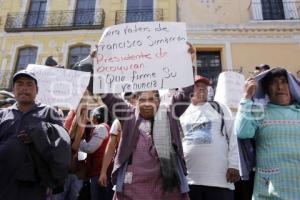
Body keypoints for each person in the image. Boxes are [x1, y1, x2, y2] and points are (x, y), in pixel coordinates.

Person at [100, 44, 196, 200]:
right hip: (133, 186)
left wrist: (188, 62)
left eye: (151, 99)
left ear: (158, 101)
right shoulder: (128, 115)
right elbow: (109, 97)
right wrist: (100, 64)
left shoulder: (169, 113)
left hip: (167, 186)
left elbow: (185, 94)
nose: (146, 103)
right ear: (136, 101)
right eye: (142, 99)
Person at [0, 70, 71, 200]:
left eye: (29, 84)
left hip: (36, 182)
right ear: (13, 89)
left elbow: (63, 142)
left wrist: (40, 136)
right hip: (4, 179)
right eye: (20, 84)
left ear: (37, 90)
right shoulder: (3, 114)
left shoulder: (48, 111)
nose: (24, 88)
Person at [234, 67, 300, 199]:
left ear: (291, 87)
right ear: (267, 90)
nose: (280, 86)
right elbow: (242, 132)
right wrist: (246, 97)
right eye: (274, 83)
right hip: (269, 191)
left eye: (284, 82)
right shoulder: (259, 112)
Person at [179, 75, 240, 200]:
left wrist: (234, 165)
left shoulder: (219, 107)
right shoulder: (181, 112)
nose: (202, 89)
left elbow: (234, 135)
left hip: (219, 181)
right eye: (197, 86)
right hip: (190, 181)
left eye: (204, 86)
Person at [72, 105, 113, 200]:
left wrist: (79, 141)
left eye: (93, 116)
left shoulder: (101, 128)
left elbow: (90, 148)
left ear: (98, 116)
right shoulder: (105, 127)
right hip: (99, 171)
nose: (91, 119)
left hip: (99, 172)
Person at [99, 92, 137, 188]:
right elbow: (111, 147)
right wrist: (103, 171)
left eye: (133, 97)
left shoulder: (152, 119)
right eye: (127, 99)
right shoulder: (118, 123)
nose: (131, 101)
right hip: (127, 170)